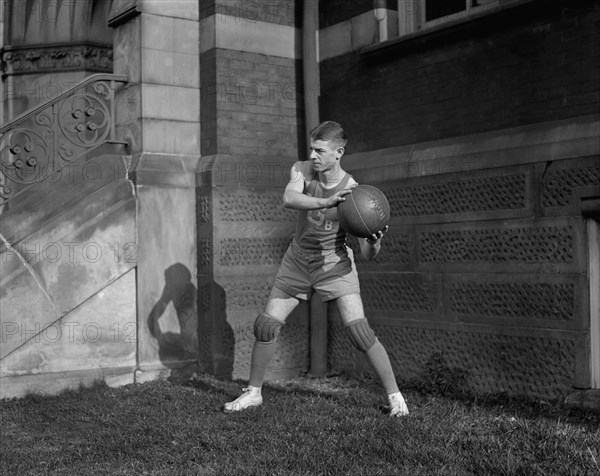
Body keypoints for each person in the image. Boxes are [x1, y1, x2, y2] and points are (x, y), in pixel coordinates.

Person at [224, 121, 409, 417]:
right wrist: (325, 201)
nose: (313, 155)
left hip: (332, 263)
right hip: (298, 260)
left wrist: (374, 241)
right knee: (266, 325)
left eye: (320, 150)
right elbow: (289, 198)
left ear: (339, 153)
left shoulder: (352, 191)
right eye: (311, 148)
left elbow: (367, 253)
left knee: (360, 332)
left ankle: (396, 399)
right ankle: (254, 393)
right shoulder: (301, 170)